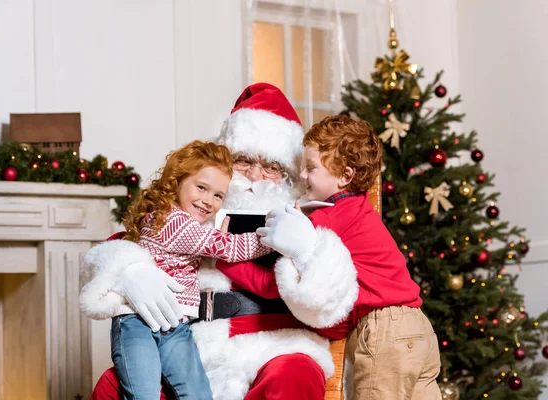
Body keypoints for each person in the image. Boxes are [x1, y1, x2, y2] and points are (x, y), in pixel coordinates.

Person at [81, 83, 359, 400]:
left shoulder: (307, 218)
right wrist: (129, 271)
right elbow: (122, 245)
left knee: (292, 376)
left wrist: (307, 252)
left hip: (277, 342)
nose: (255, 176)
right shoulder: (196, 207)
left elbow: (337, 315)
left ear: (290, 175)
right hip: (192, 340)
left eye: (271, 166)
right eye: (243, 161)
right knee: (113, 387)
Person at [258, 115, 441, 399]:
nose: (302, 176)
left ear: (345, 176)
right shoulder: (360, 211)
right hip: (418, 328)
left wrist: (220, 256)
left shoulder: (328, 218)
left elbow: (279, 280)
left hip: (384, 330)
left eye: (310, 168)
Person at [81, 140, 275, 400]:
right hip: (137, 322)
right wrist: (274, 237)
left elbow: (204, 246)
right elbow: (230, 248)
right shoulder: (173, 221)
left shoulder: (177, 220)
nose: (208, 201)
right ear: (177, 181)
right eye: (201, 188)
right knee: (143, 393)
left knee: (197, 394)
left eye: (218, 195)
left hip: (176, 326)